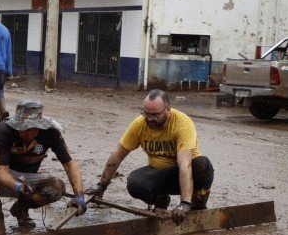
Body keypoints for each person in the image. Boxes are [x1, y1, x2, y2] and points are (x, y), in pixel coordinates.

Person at [88, 90, 214, 225]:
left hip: (187, 175)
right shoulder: (140, 124)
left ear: (168, 109)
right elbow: (117, 155)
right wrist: (101, 186)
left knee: (202, 164)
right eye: (146, 114)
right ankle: (161, 201)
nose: (149, 119)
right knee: (134, 182)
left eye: (155, 115)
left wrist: (184, 203)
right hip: (161, 175)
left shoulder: (182, 123)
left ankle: (197, 205)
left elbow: (185, 164)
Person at [0, 99, 88, 235]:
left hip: (30, 180)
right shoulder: (4, 131)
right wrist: (17, 186)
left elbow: (70, 164)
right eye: (23, 128)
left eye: (32, 129)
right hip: (6, 178)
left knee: (57, 187)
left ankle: (20, 209)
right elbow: (2, 172)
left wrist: (79, 195)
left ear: (40, 125)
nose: (27, 133)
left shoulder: (51, 132)